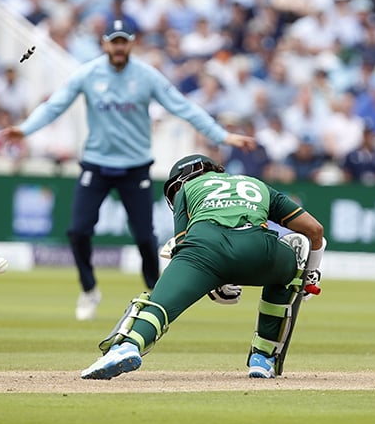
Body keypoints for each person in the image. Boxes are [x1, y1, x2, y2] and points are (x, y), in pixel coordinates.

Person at [1, 19, 256, 321]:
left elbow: (182, 107)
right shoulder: (88, 73)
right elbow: (55, 105)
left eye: (123, 41)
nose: (119, 47)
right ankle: (89, 289)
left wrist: (221, 136)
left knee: (145, 238)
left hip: (135, 167)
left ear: (131, 43)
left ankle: (158, 295)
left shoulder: (146, 76)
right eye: (114, 41)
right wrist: (25, 129)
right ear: (105, 44)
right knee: (77, 231)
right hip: (96, 164)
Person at [80, 154, 326, 380]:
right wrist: (309, 277)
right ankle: (263, 358)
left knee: (157, 304)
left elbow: (182, 243)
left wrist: (216, 281)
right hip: (260, 250)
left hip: (205, 248)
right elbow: (315, 231)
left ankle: (127, 346)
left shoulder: (187, 188)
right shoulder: (256, 184)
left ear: (185, 178)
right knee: (294, 252)